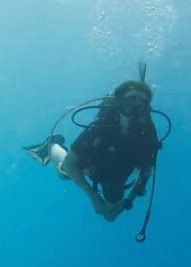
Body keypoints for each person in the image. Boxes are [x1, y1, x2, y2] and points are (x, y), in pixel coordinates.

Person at [24, 72, 161, 222]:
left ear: (146, 110)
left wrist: (128, 201)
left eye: (139, 107)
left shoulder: (147, 138)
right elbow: (70, 164)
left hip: (118, 174)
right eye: (129, 106)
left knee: (110, 215)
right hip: (91, 164)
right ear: (119, 105)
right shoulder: (99, 130)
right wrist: (94, 197)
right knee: (65, 171)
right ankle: (51, 145)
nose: (133, 113)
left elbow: (146, 173)